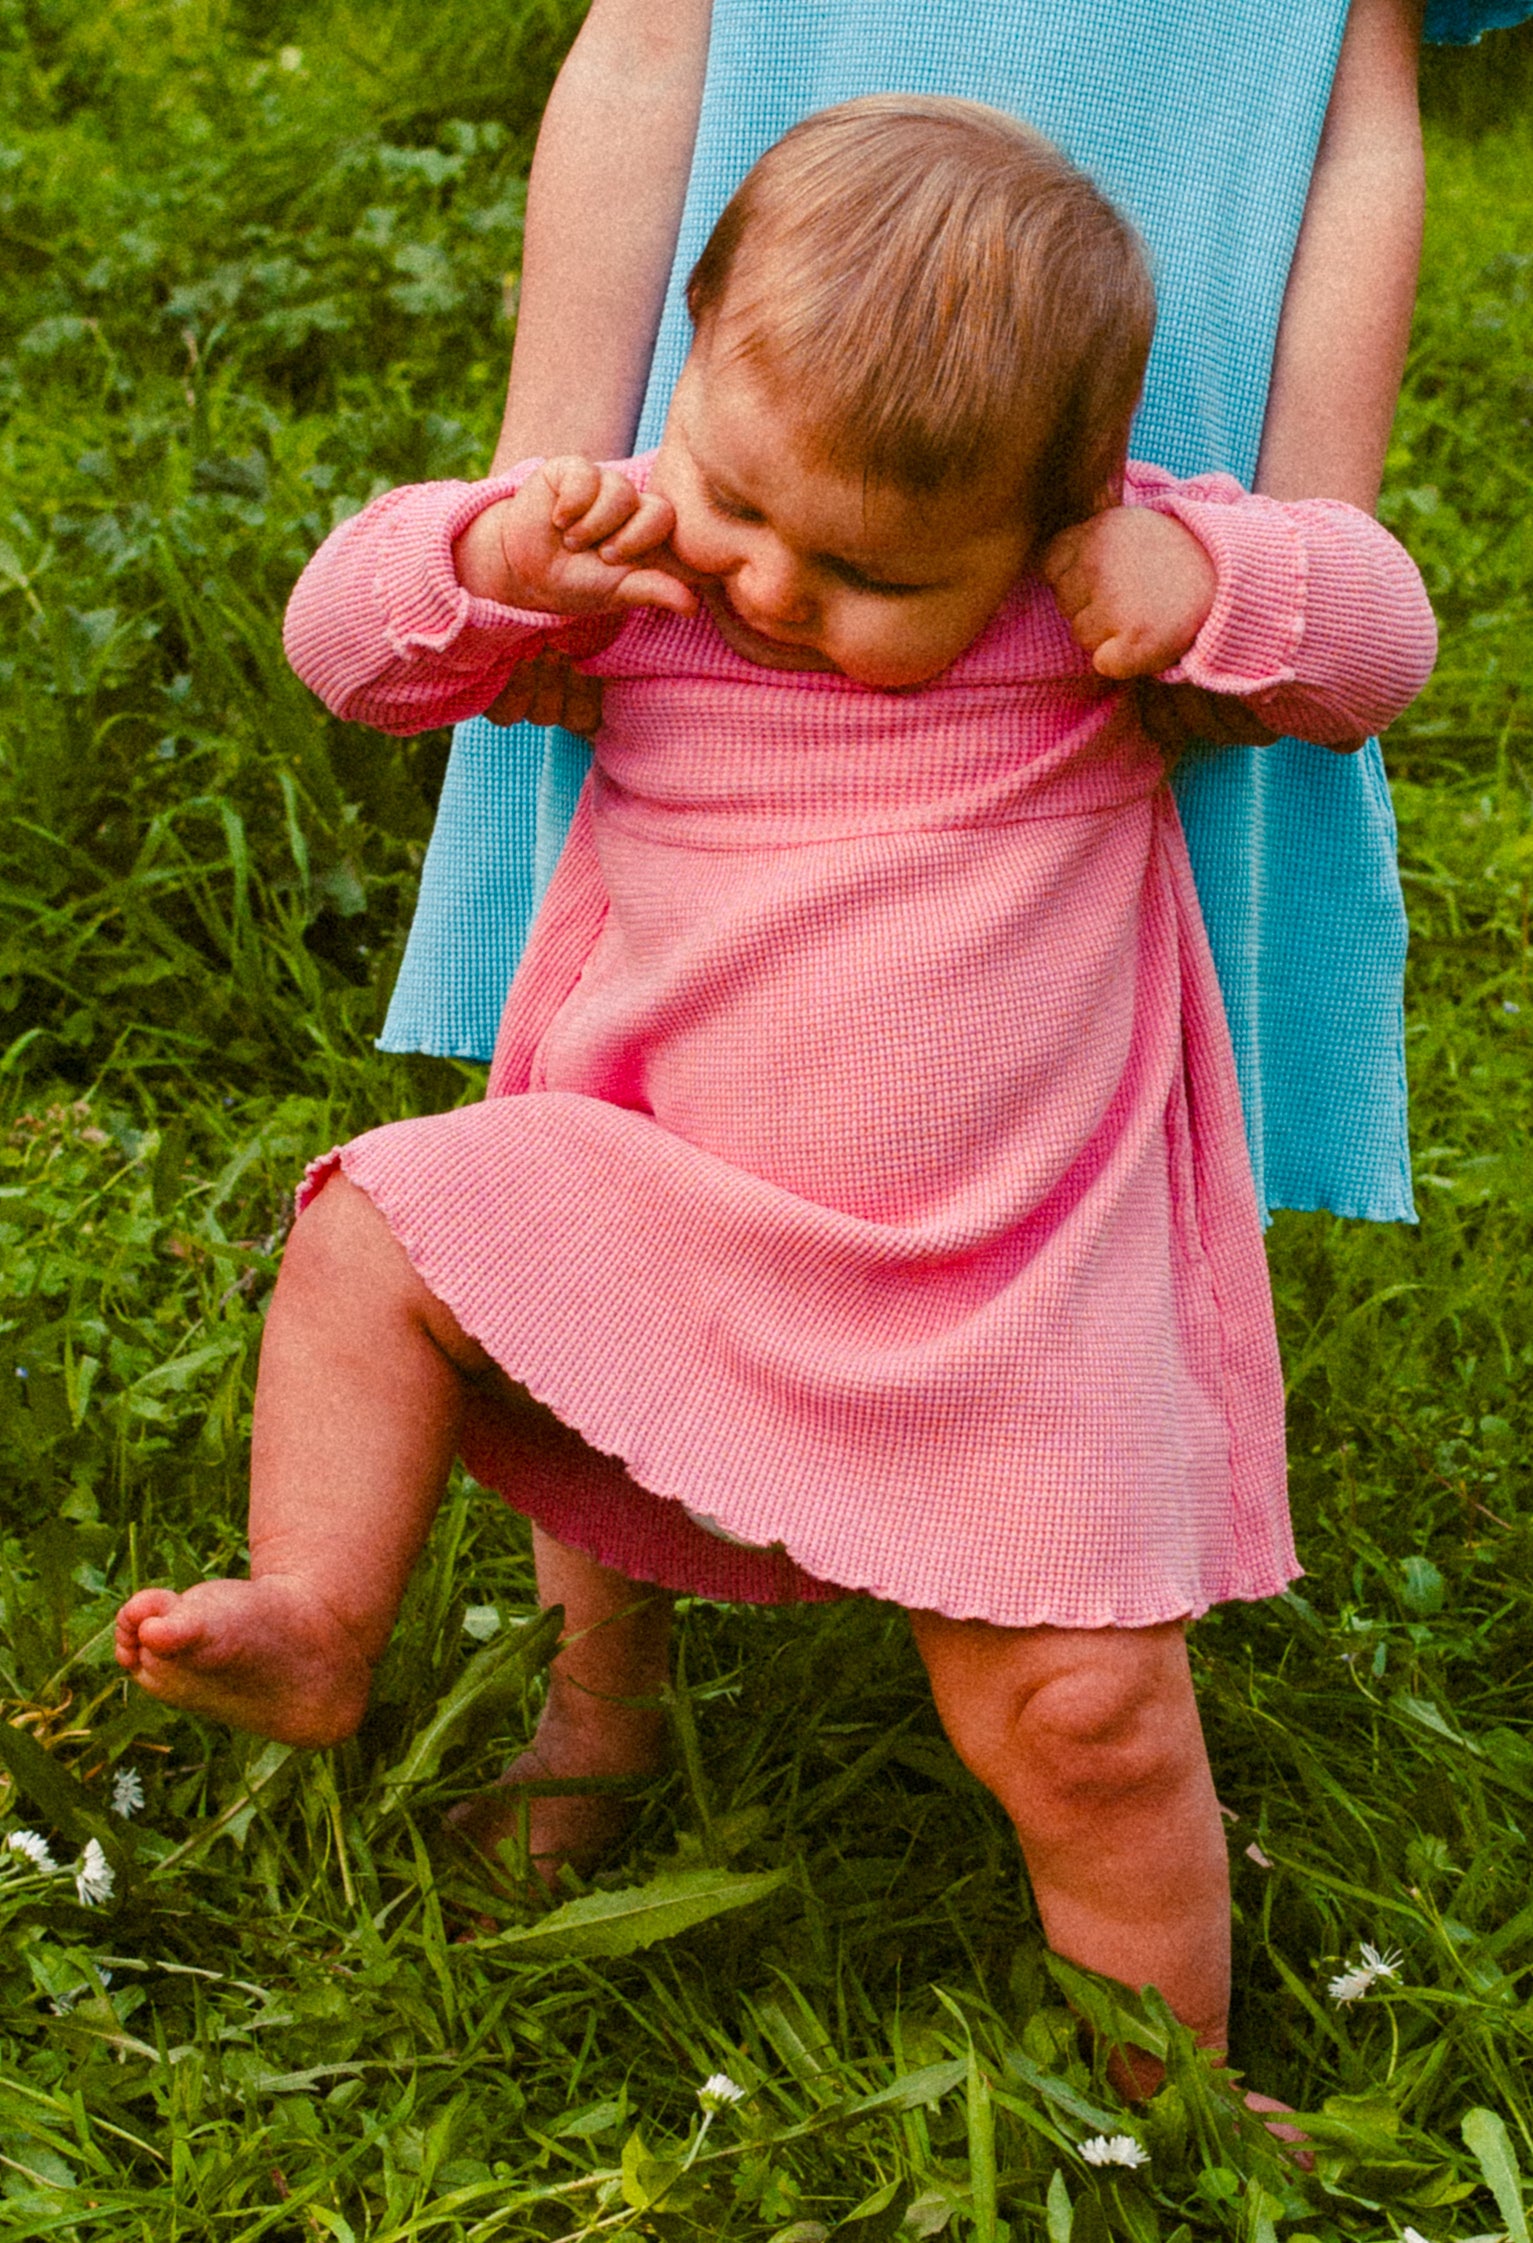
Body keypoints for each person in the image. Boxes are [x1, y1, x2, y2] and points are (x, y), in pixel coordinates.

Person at [115, 99, 1437, 2092]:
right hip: (666, 1212)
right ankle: (319, 1611)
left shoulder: (1082, 618)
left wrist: (1212, 570)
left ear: (1047, 516)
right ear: (691, 351)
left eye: (863, 570)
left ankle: (1175, 2097)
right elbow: (345, 643)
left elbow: (1376, 636)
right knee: (377, 1222)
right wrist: (489, 547)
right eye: (736, 492)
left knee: (1085, 1726)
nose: (767, 581)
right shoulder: (634, 577)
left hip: (1003, 1299)